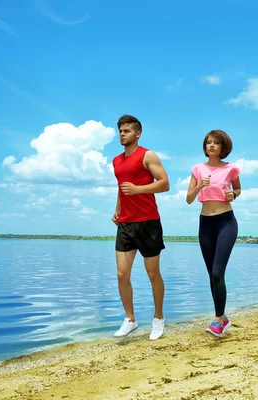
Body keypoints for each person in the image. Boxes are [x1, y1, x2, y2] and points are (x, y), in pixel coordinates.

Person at [111, 114, 170, 340]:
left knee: (152, 272)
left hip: (148, 222)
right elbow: (121, 187)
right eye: (120, 131)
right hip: (126, 223)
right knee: (121, 274)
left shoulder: (147, 155)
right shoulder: (116, 160)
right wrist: (118, 208)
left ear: (138, 133)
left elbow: (165, 183)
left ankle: (158, 318)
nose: (122, 134)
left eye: (126, 131)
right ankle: (130, 320)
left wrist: (138, 190)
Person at [186, 129, 241, 337]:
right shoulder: (197, 169)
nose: (211, 145)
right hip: (205, 224)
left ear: (223, 147)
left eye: (216, 143)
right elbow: (189, 198)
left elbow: (238, 190)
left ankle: (218, 321)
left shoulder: (231, 169)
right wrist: (200, 184)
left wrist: (232, 194)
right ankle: (222, 317)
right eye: (208, 142)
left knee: (218, 272)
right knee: (212, 275)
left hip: (226, 223)